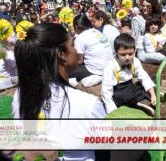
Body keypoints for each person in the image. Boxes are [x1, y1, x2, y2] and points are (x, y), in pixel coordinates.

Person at [12, 23, 107, 160]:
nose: (76, 50)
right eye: (72, 45)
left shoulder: (19, 96)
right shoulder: (88, 104)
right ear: (61, 54)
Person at [101, 33, 156, 115]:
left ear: (135, 51)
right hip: (119, 89)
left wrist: (152, 93)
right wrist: (113, 112)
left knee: (153, 79)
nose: (127, 57)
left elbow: (144, 76)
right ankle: (137, 104)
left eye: (130, 54)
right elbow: (106, 91)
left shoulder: (135, 61)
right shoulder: (110, 67)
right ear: (116, 52)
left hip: (132, 85)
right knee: (124, 96)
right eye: (123, 54)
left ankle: (150, 95)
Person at [70, 14, 113, 86]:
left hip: (96, 69)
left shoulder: (80, 37)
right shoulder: (96, 31)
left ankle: (95, 76)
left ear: (76, 27)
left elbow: (79, 61)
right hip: (109, 66)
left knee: (65, 71)